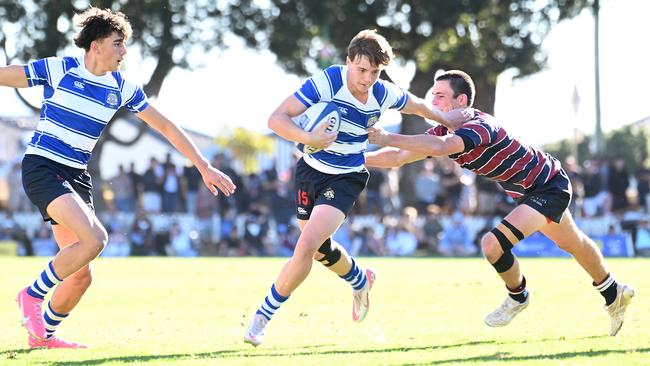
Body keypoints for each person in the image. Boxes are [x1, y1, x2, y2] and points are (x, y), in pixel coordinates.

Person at [0, 7, 236, 349]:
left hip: (76, 176)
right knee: (96, 238)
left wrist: (203, 165)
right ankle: (31, 295)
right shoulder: (61, 68)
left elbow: (166, 126)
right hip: (42, 166)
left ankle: (43, 337)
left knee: (81, 276)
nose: (124, 52)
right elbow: (9, 75)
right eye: (118, 44)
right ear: (95, 45)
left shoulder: (121, 87)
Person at [243, 29, 473, 346]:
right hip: (310, 170)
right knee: (321, 250)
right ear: (348, 61)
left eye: (375, 72)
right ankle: (360, 279)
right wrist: (310, 138)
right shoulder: (329, 81)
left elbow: (419, 106)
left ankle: (261, 318)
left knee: (307, 244)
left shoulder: (382, 92)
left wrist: (448, 119)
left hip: (348, 175)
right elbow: (276, 119)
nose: (367, 79)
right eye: (362, 69)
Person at [365, 69, 635, 336]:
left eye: (440, 96)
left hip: (548, 184)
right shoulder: (442, 129)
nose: (433, 102)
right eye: (432, 96)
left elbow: (440, 147)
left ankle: (518, 297)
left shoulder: (479, 126)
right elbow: (398, 157)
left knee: (492, 244)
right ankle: (614, 292)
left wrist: (386, 136)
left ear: (461, 101)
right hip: (527, 192)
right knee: (571, 242)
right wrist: (356, 159)